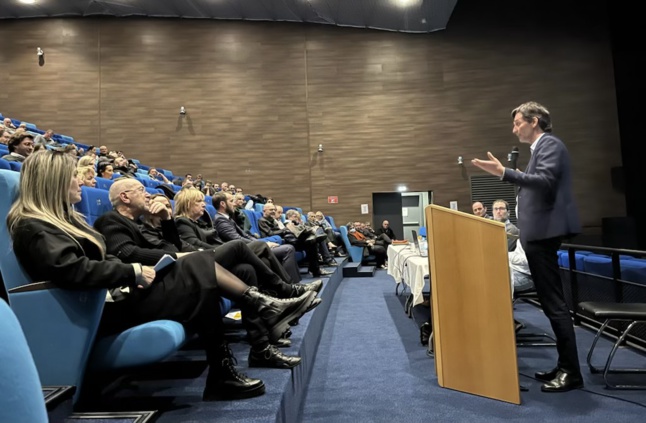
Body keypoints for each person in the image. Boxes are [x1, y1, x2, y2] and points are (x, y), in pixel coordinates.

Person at [7, 150, 317, 401]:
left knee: (205, 269)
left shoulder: (63, 222)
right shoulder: (33, 226)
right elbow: (73, 271)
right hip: (94, 312)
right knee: (199, 266)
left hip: (106, 301)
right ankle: (261, 315)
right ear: (54, 182)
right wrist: (131, 271)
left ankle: (237, 353)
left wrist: (134, 267)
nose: (80, 183)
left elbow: (102, 258)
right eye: (73, 177)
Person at [472, 101, 582, 393]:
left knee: (554, 305)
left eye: (518, 122)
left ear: (534, 121)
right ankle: (563, 366)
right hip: (537, 235)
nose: (514, 128)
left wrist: (504, 172)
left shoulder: (551, 145)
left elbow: (544, 182)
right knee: (550, 304)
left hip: (543, 234)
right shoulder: (539, 150)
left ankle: (572, 372)